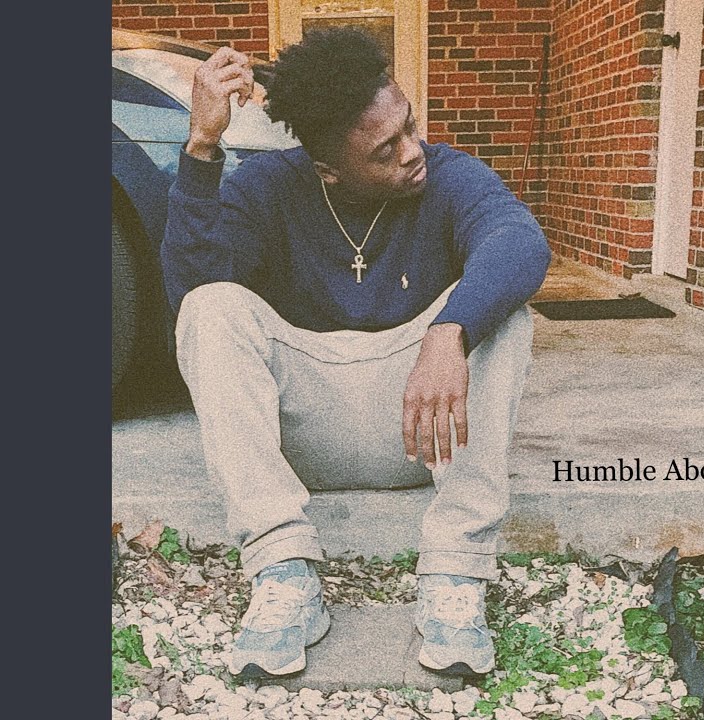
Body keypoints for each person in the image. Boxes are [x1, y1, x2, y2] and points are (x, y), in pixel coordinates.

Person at [161, 27, 551, 679]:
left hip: (422, 435)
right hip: (305, 437)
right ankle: (284, 573)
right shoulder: (269, 185)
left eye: (409, 126)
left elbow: (519, 240)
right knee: (212, 308)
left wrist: (449, 332)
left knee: (502, 311)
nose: (412, 152)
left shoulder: (448, 174)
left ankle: (455, 574)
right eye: (385, 150)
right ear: (329, 170)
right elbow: (193, 291)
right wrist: (202, 147)